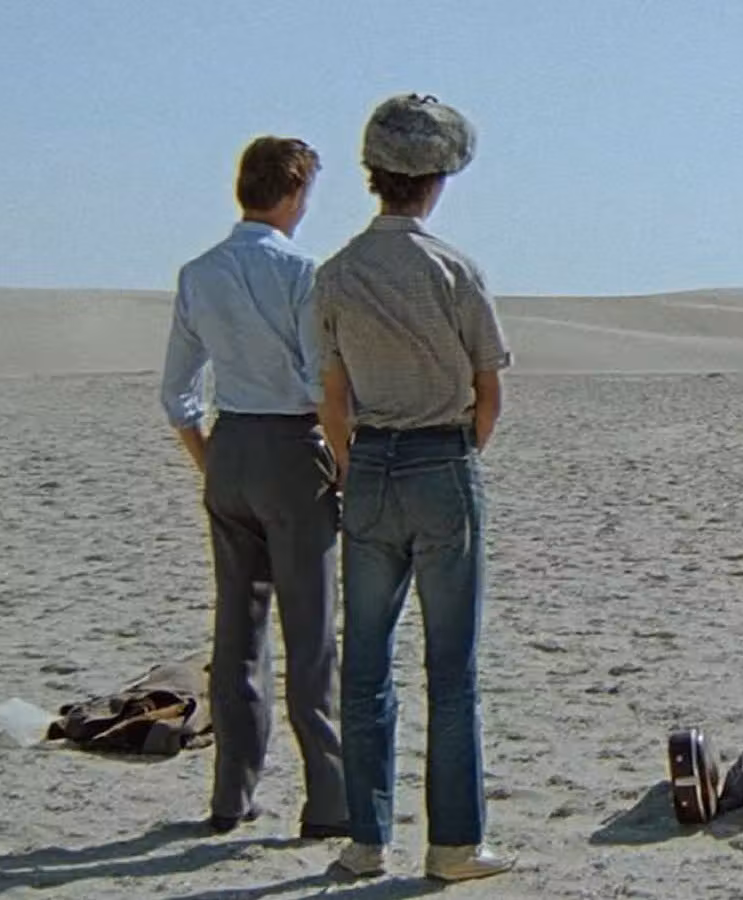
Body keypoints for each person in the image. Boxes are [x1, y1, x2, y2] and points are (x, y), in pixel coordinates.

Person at [312, 94, 516, 883]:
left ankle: (366, 839)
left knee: (366, 661)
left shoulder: (337, 273)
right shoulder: (454, 269)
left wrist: (351, 460)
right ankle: (454, 843)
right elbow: (489, 389)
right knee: (450, 668)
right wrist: (460, 454)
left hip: (370, 462)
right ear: (435, 180)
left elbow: (332, 395)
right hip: (441, 458)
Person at [157, 136, 348, 839]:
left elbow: (177, 392)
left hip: (230, 443)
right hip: (291, 446)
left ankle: (230, 794)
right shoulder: (302, 271)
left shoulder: (198, 272)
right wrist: (345, 460)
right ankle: (328, 799)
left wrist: (208, 460)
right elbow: (318, 380)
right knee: (310, 633)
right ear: (293, 193)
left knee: (237, 629)